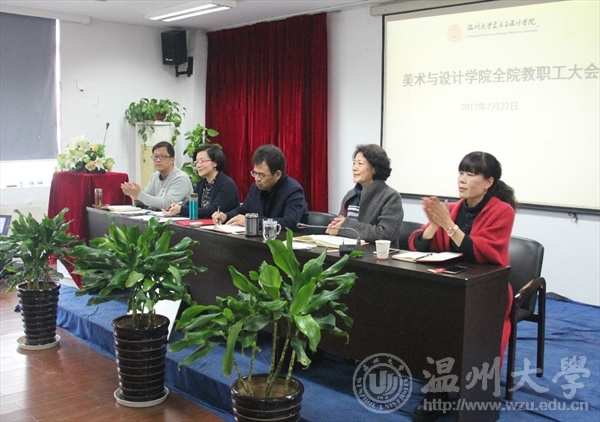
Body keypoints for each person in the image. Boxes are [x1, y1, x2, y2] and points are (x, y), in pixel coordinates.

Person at [408, 151, 517, 422]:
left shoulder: (502, 211)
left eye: (471, 174)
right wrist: (434, 225)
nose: (463, 180)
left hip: (487, 292)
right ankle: (437, 391)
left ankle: (472, 392)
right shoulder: (454, 208)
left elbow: (483, 252)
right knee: (427, 317)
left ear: (488, 182)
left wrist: (448, 225)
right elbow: (419, 244)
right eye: (461, 173)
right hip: (452, 284)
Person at [212, 144, 308, 230]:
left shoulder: (293, 190)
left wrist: (252, 222)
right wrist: (226, 216)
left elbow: (290, 222)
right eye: (255, 173)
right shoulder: (255, 188)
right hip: (261, 240)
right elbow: (243, 210)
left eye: (262, 175)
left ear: (277, 174)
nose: (257, 179)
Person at [326, 144, 404, 248]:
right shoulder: (351, 195)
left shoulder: (391, 197)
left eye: (360, 164)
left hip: (375, 255)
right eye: (354, 163)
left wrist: (345, 226)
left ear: (375, 169)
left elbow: (385, 234)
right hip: (348, 251)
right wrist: (335, 227)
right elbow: (340, 225)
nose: (354, 168)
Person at [162, 145, 239, 218]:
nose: (198, 165)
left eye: (202, 161)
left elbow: (213, 211)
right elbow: (190, 205)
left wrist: (181, 210)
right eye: (197, 162)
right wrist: (176, 208)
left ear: (215, 162)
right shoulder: (201, 183)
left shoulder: (227, 184)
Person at [121, 141, 193, 210]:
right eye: (155, 157)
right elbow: (145, 201)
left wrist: (139, 194)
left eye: (162, 156)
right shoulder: (154, 176)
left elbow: (167, 204)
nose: (158, 160)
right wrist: (135, 197)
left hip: (177, 218)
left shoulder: (180, 178)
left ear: (172, 160)